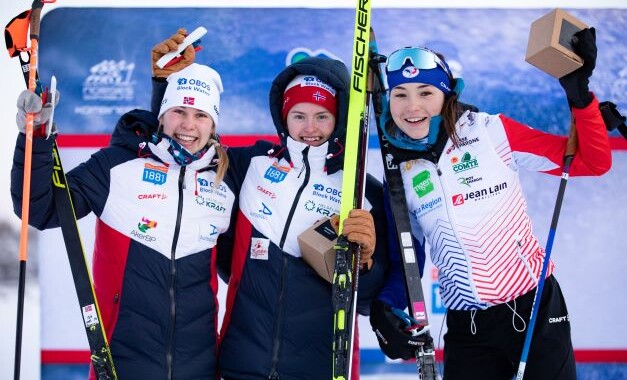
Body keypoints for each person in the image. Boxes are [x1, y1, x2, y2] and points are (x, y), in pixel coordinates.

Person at [368, 27, 611, 380]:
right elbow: (408, 256)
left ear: (447, 94)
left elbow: (591, 162)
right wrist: (387, 306)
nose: (412, 106)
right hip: (468, 329)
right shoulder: (400, 172)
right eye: (400, 94)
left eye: (425, 92)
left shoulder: (490, 132)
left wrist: (580, 97)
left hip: (534, 313)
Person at [150, 30, 390, 380]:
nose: (310, 128)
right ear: (283, 118)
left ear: (338, 119)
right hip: (242, 363)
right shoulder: (250, 165)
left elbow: (367, 301)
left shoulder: (362, 190)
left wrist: (365, 262)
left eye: (322, 116)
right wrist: (164, 87)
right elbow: (176, 153)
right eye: (299, 116)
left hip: (322, 368)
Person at [12, 63, 237, 379]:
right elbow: (41, 208)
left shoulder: (225, 183)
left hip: (200, 368)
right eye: (178, 112)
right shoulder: (118, 166)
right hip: (121, 364)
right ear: (161, 116)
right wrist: (35, 138)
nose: (188, 125)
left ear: (212, 123)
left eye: (200, 115)